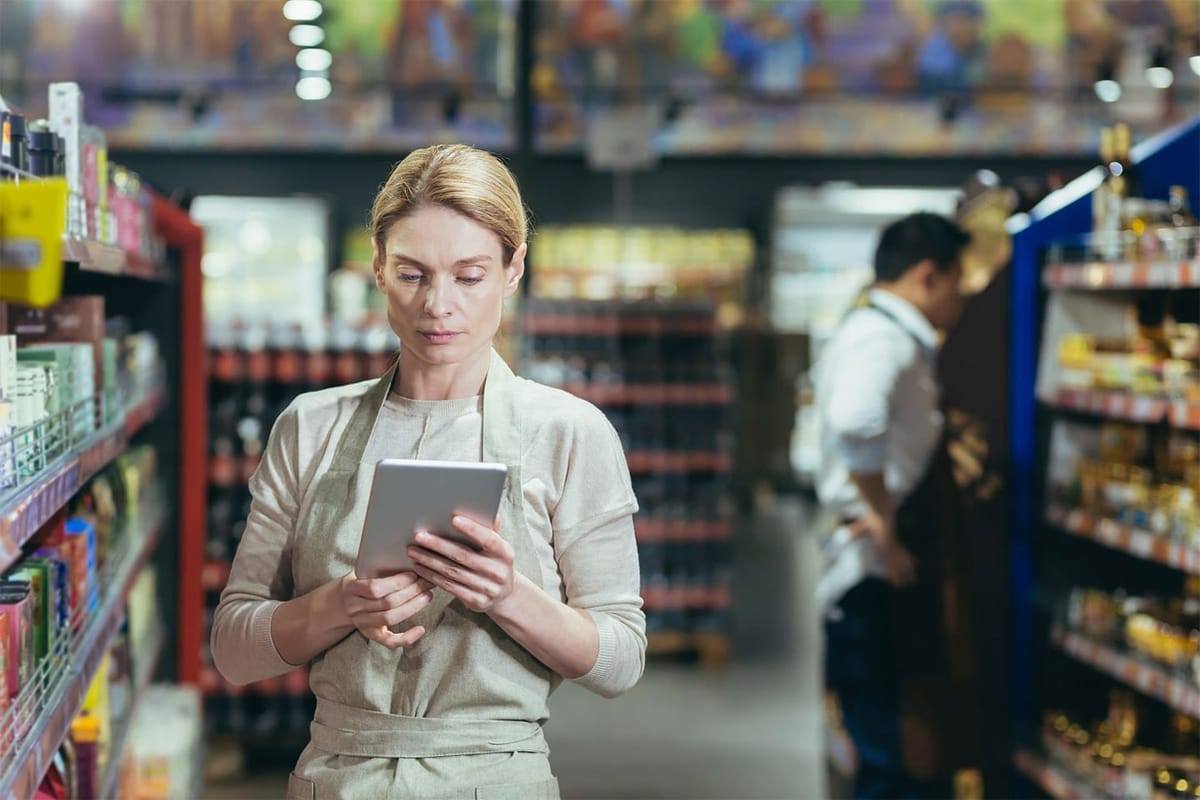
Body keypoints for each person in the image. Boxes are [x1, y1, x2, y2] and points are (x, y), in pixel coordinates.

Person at [211, 144, 646, 800]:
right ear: (378, 269)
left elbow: (620, 659)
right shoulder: (310, 426)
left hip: (498, 778)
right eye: (413, 274)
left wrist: (508, 595)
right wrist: (337, 606)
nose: (438, 305)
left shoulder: (569, 434)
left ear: (513, 269)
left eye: (469, 276)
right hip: (338, 774)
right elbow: (233, 648)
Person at [814, 212, 970, 799]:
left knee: (885, 739)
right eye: (958, 282)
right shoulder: (883, 337)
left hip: (870, 564)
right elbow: (857, 423)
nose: (961, 298)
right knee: (889, 750)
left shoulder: (872, 329)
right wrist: (884, 525)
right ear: (928, 276)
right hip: (875, 572)